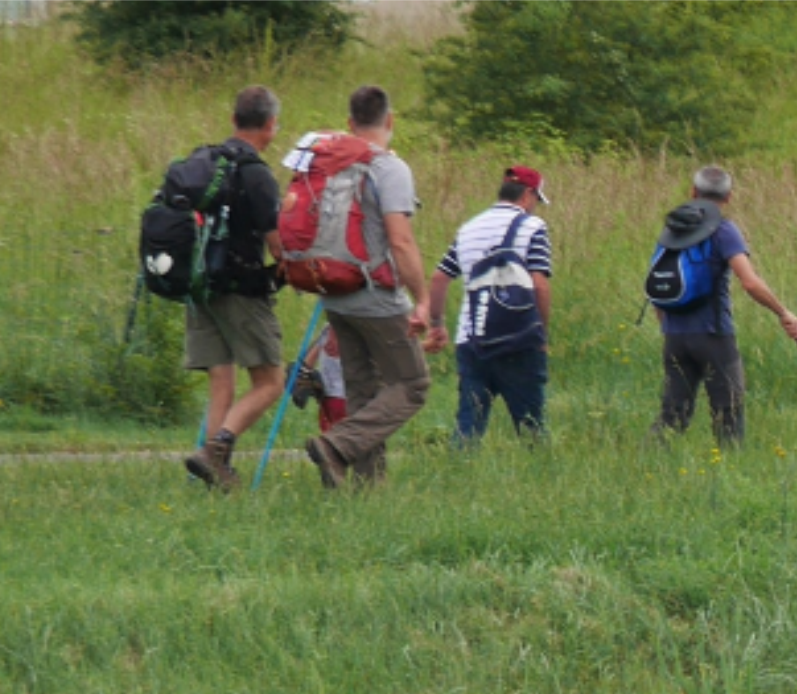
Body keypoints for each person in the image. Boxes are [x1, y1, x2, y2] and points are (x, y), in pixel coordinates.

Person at [299, 86, 433, 489]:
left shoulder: (331, 164)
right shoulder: (388, 168)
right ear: (389, 121)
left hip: (335, 293)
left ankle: (366, 485)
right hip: (376, 295)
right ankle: (337, 447)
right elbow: (401, 241)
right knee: (412, 384)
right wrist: (423, 301)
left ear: (349, 124)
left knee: (364, 390)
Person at [649, 165, 797, 448]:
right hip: (714, 335)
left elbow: (655, 284)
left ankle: (646, 467)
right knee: (728, 413)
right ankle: (730, 472)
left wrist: (667, 326)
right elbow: (750, 283)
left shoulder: (672, 229)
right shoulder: (723, 230)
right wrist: (784, 313)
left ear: (693, 192)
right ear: (729, 197)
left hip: (674, 336)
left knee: (673, 415)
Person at [182, 86, 285, 491]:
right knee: (270, 381)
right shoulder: (257, 174)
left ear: (233, 120)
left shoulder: (203, 160)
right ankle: (216, 452)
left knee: (221, 380)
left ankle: (212, 474)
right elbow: (277, 245)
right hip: (241, 288)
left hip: (198, 286)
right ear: (271, 125)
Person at [423, 165, 553, 443]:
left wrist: (437, 325)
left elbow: (438, 278)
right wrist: (541, 333)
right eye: (536, 201)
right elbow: (539, 284)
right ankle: (540, 474)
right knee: (531, 425)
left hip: (472, 339)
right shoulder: (533, 227)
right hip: (519, 339)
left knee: (469, 422)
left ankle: (459, 473)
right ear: (528, 194)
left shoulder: (469, 228)